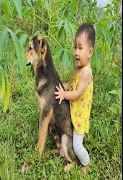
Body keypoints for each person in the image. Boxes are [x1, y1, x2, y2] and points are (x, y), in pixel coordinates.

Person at [54, 23, 95, 174]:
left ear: (90, 52)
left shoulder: (86, 73)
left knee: (77, 145)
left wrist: (64, 95)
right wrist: (59, 86)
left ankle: (85, 162)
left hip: (80, 116)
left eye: (80, 48)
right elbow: (70, 85)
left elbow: (76, 93)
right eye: (75, 47)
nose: (76, 52)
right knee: (70, 138)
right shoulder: (77, 69)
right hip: (74, 113)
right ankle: (68, 154)